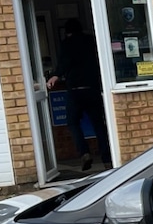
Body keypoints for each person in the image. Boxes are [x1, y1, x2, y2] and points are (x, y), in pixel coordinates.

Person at [47, 21, 111, 171]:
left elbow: (65, 62)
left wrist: (55, 75)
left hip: (75, 90)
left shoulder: (67, 43)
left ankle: (84, 153)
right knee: (99, 125)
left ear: (68, 32)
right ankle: (107, 159)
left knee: (73, 122)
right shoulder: (91, 41)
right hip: (92, 88)